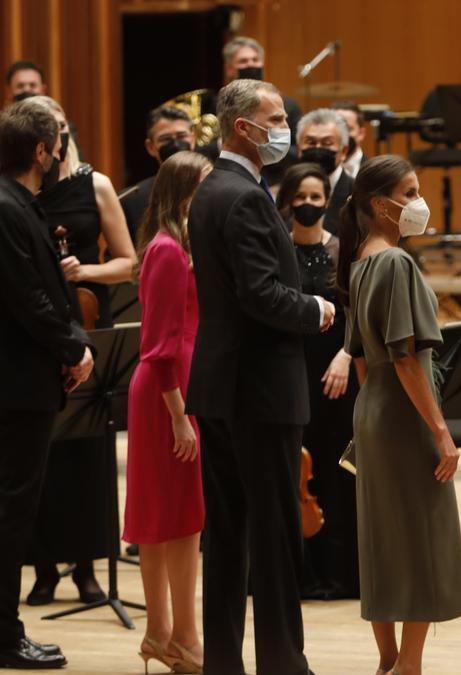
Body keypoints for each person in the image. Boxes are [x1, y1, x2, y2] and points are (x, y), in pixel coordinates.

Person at [187, 78, 334, 675]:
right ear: (243, 129)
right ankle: (283, 663)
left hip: (223, 385)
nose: (285, 127)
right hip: (260, 390)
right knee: (274, 537)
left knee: (226, 534)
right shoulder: (244, 195)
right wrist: (316, 310)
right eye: (275, 118)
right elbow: (261, 294)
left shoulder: (209, 189)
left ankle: (223, 660)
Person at [0, 97, 93, 670]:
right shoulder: (2, 209)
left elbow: (43, 290)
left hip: (28, 379)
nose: (60, 150)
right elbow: (30, 301)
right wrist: (75, 347)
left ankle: (1, 632)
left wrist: (69, 342)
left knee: (17, 507)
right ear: (42, 150)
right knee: (13, 511)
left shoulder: (15, 203)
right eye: (57, 141)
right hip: (19, 383)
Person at [336, 155, 461, 674]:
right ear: (379, 204)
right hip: (405, 413)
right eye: (409, 193)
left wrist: (377, 416)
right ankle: (408, 667)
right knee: (420, 540)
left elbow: (365, 363)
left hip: (374, 412)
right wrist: (440, 430)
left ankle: (389, 660)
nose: (418, 203)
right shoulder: (394, 262)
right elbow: (406, 356)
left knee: (383, 539)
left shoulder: (360, 261)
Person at [23, 95, 136, 607]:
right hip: (39, 327)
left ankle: (88, 569)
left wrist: (84, 271)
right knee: (43, 447)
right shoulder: (22, 191)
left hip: (90, 318)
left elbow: (128, 263)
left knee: (88, 448)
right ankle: (44, 569)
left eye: (63, 125)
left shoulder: (98, 185)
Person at [124, 151, 211, 675]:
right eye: (204, 186)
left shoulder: (179, 246)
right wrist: (179, 414)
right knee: (180, 521)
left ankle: (162, 634)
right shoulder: (167, 251)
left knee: (166, 517)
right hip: (168, 395)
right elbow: (157, 345)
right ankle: (183, 637)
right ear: (182, 193)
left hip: (173, 390)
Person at [276, 162, 360, 601]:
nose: (308, 205)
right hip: (291, 373)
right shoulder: (277, 251)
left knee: (336, 471)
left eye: (315, 197)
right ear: (288, 200)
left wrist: (347, 356)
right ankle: (301, 574)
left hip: (338, 376)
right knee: (295, 472)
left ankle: (340, 575)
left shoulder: (343, 251)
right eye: (300, 198)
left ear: (328, 200)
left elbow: (359, 317)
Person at [222, 37, 302, 184]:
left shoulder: (288, 105)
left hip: (277, 178)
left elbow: (298, 150)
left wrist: (272, 148)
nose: (251, 65)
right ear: (229, 69)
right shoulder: (220, 104)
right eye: (243, 61)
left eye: (255, 60)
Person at [120, 106, 197, 242]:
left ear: (193, 138)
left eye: (181, 136)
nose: (175, 144)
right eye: (166, 139)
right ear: (150, 147)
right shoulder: (131, 200)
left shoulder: (216, 187)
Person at [294, 108, 354, 234]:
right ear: (299, 148)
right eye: (310, 142)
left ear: (343, 151)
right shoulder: (286, 191)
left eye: (327, 143)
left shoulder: (358, 193)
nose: (318, 149)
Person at [334, 103, 368, 178]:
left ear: (361, 134)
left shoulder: (375, 170)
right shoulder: (319, 168)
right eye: (336, 128)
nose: (341, 134)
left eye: (347, 128)